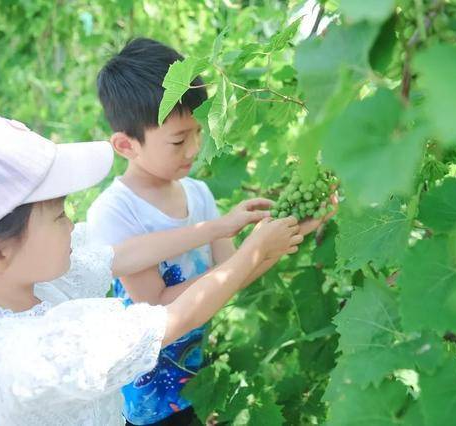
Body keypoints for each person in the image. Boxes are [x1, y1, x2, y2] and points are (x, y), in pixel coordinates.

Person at [0, 91, 302, 425]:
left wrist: (218, 227)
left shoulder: (13, 286)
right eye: (60, 214)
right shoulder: (35, 352)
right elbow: (172, 319)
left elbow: (118, 255)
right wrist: (254, 252)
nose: (73, 222)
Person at [88, 38, 335, 425]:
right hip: (147, 392)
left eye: (197, 133)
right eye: (177, 140)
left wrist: (283, 236)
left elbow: (233, 275)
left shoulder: (198, 194)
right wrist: (244, 244)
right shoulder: (114, 212)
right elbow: (159, 308)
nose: (193, 149)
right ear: (125, 145)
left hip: (194, 374)